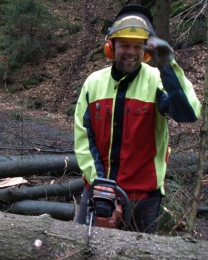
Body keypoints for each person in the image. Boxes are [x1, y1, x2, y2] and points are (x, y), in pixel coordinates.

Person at [73, 5, 201, 234]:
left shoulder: (158, 82)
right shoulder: (93, 84)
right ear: (111, 47)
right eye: (124, 45)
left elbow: (188, 113)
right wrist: (101, 185)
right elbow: (84, 139)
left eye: (137, 46)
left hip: (142, 197)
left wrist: (167, 65)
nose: (130, 52)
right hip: (97, 192)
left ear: (146, 50)